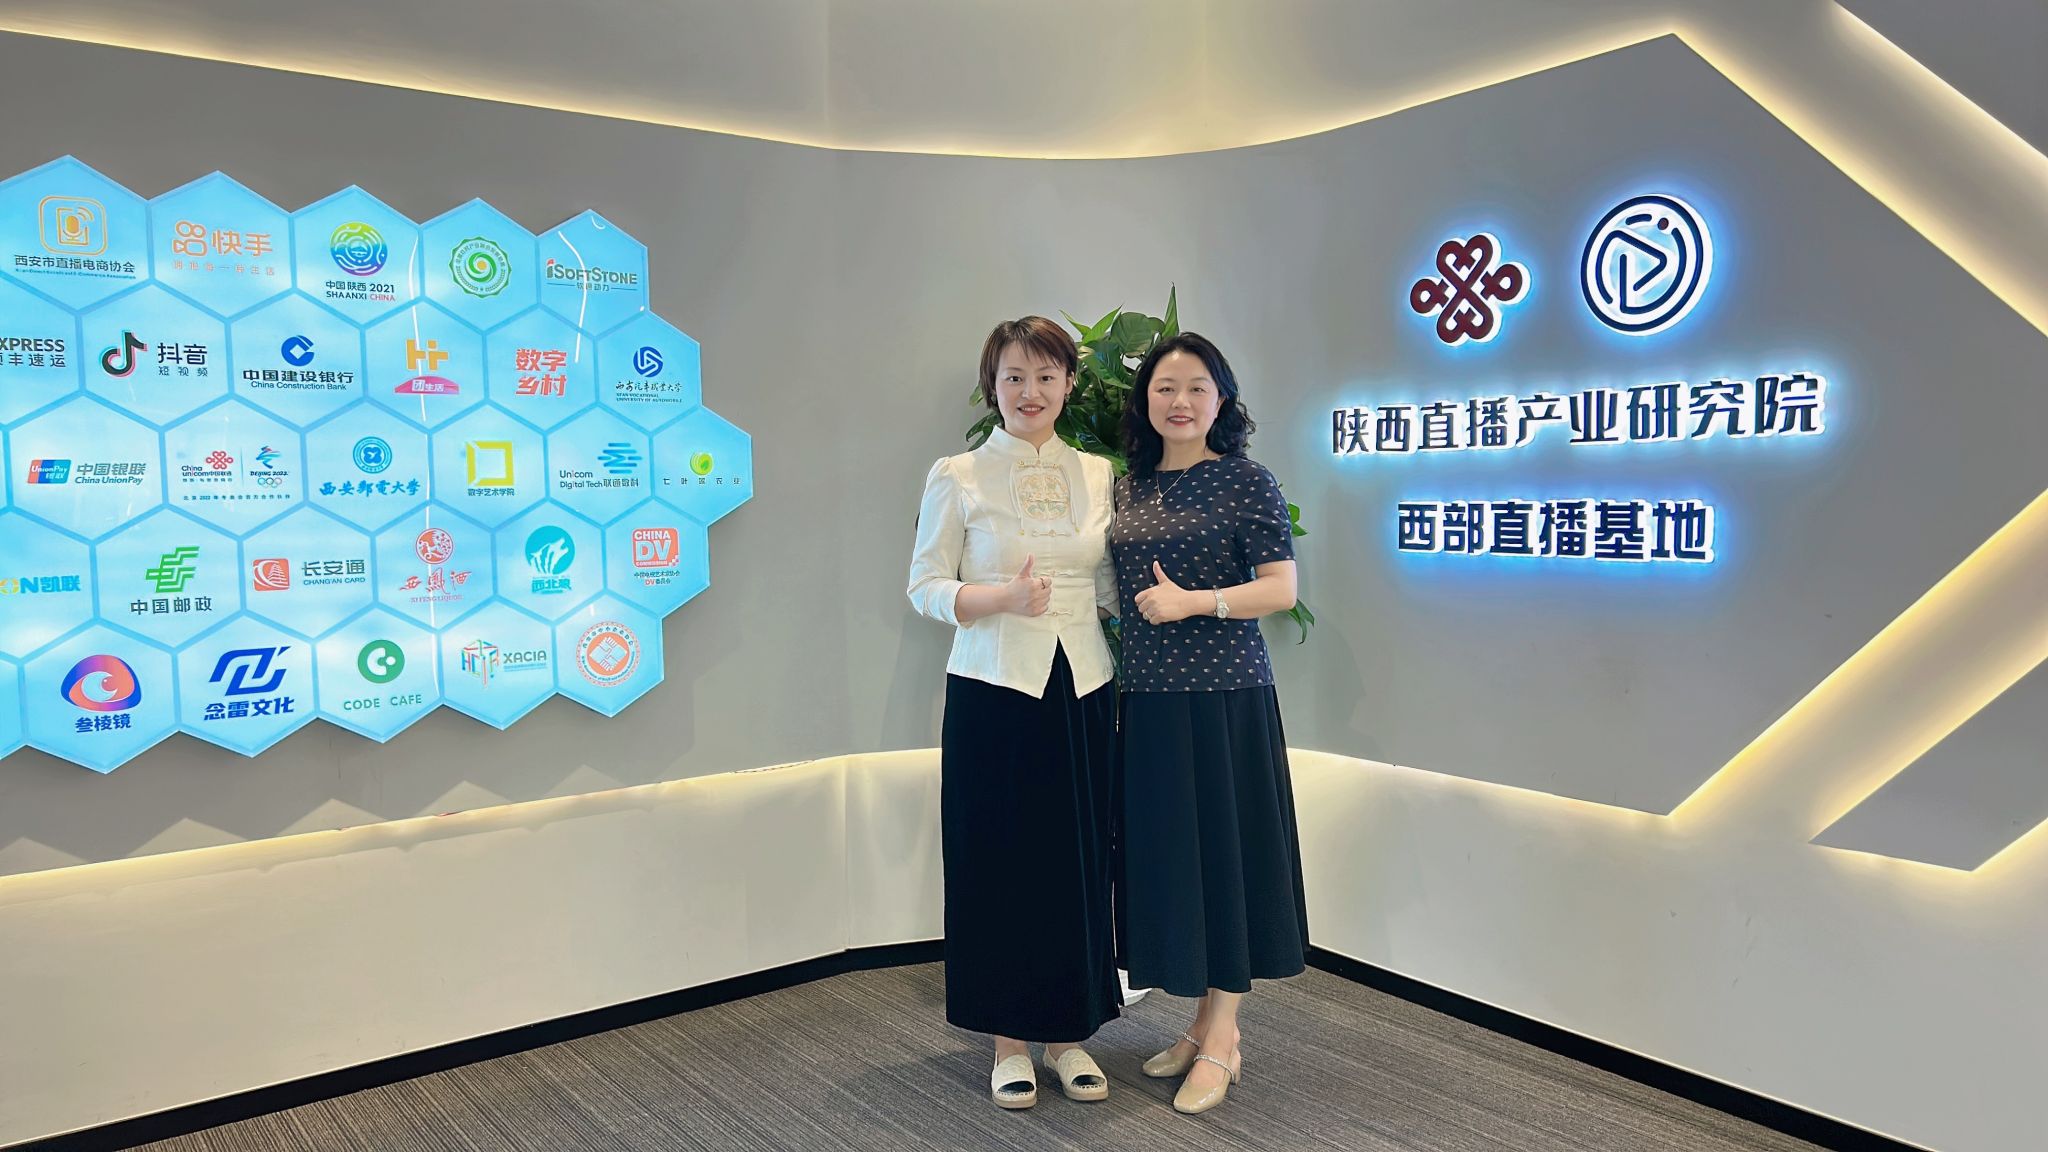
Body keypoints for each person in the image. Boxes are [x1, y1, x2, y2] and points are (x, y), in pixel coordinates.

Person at [907, 316, 1121, 1111]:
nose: (1030, 391)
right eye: (1013, 377)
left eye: (1045, 376)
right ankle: (1006, 1042)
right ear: (992, 387)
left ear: (1069, 384)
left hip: (1083, 687)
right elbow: (924, 586)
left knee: (1075, 863)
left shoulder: (1098, 474)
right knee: (998, 862)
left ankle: (1067, 1036)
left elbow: (1106, 586)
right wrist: (997, 597)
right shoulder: (959, 474)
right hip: (994, 690)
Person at [1109, 331, 1310, 1116]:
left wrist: (1195, 602)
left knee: (1226, 863)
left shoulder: (1246, 480)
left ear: (1221, 399)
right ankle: (1197, 1024)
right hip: (1148, 700)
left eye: (1197, 387)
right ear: (1145, 400)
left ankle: (1224, 1034)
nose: (1180, 401)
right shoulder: (1126, 488)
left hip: (1225, 699)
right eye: (1165, 387)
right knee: (1178, 867)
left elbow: (1281, 589)